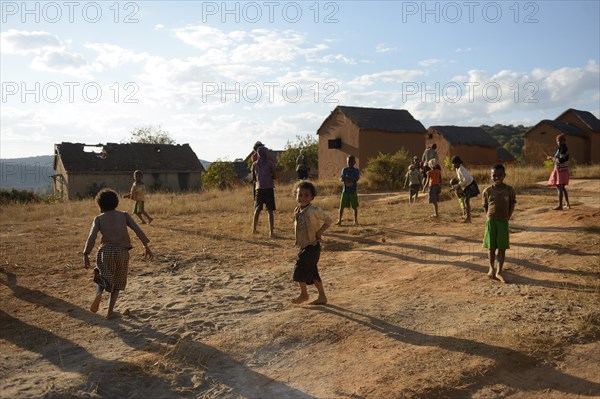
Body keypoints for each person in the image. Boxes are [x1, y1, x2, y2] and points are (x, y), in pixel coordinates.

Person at [83, 188, 153, 319]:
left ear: (100, 206)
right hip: (122, 252)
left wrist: (86, 254)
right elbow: (138, 230)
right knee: (118, 282)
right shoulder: (124, 215)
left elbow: (91, 236)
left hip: (106, 251)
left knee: (102, 274)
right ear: (116, 203)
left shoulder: (99, 218)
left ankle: (99, 292)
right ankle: (110, 312)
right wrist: (146, 246)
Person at [292, 180, 332, 305]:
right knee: (313, 272)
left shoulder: (314, 210)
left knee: (299, 269)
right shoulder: (297, 210)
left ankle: (304, 294)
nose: (303, 198)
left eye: (306, 195)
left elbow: (329, 220)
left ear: (312, 197)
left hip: (313, 246)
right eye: (300, 195)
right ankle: (322, 297)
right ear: (296, 196)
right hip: (304, 246)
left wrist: (319, 233)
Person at [482, 164, 516, 283]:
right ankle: (491, 269)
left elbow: (512, 204)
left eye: (500, 175)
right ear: (491, 176)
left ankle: (499, 271)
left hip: (503, 222)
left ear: (504, 176)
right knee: (491, 247)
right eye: (494, 175)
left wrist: (507, 217)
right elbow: (485, 206)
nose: (497, 178)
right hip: (491, 221)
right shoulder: (487, 191)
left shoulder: (509, 190)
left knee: (502, 248)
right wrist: (489, 217)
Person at [251, 145, 277, 237]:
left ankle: (253, 229)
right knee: (270, 211)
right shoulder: (270, 163)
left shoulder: (254, 164)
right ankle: (271, 232)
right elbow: (275, 175)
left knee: (257, 209)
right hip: (269, 188)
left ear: (258, 154)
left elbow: (253, 178)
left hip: (259, 188)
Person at [451, 155, 479, 223]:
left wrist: (458, 185)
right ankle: (467, 216)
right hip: (467, 185)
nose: (453, 165)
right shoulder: (458, 169)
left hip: (470, 184)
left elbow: (466, 179)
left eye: (454, 163)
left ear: (458, 163)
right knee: (466, 200)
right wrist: (457, 186)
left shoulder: (461, 169)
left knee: (466, 200)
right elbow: (462, 180)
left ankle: (468, 219)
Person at [547, 133, 571, 210]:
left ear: (564, 141)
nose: (558, 142)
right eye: (557, 141)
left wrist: (551, 158)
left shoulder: (563, 149)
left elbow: (560, 160)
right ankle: (567, 204)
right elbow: (558, 159)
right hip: (562, 169)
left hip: (560, 170)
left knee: (559, 187)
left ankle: (560, 206)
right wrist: (553, 158)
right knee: (562, 187)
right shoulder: (561, 148)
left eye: (560, 141)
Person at [337, 155, 360, 225]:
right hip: (345, 191)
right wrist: (344, 178)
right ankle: (339, 220)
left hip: (353, 191)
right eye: (348, 161)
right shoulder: (344, 170)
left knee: (354, 207)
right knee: (341, 206)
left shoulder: (356, 170)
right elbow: (341, 178)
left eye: (351, 161)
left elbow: (357, 179)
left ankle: (355, 220)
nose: (350, 163)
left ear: (354, 162)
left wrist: (350, 178)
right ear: (346, 162)